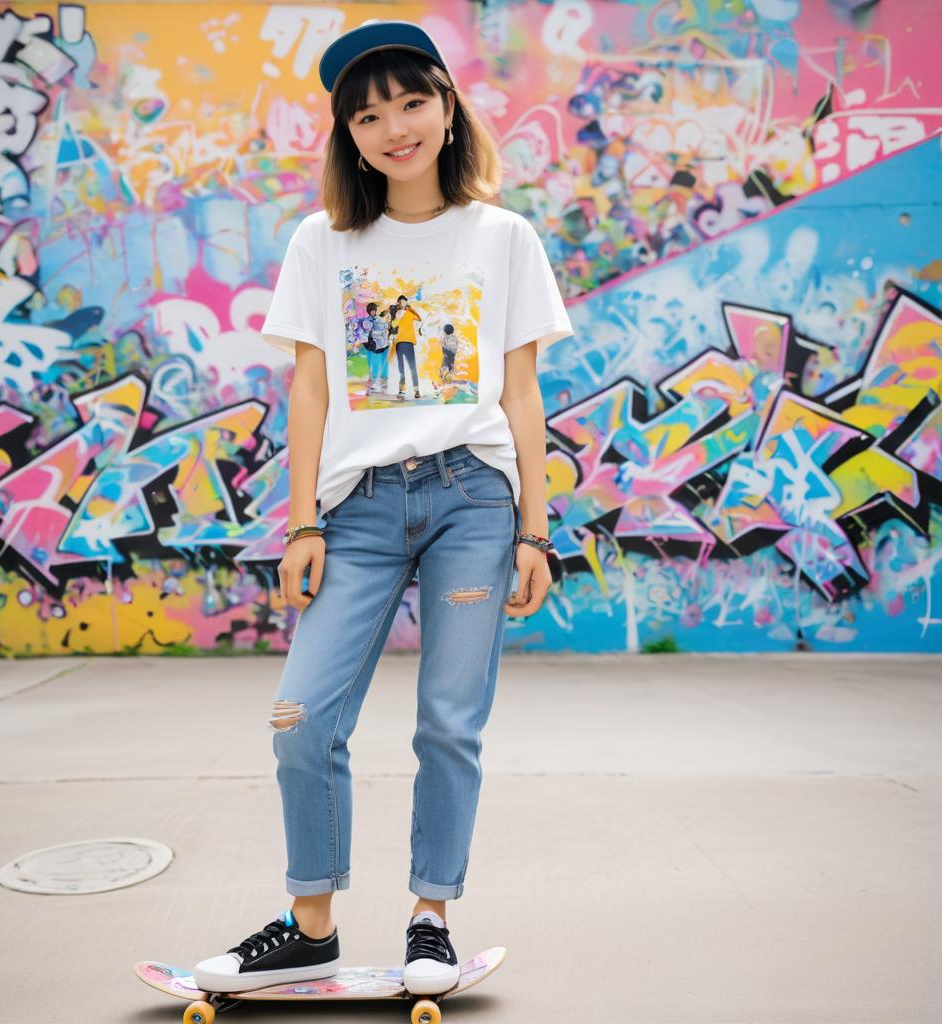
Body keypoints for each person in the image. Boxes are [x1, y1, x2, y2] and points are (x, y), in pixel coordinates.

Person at [193, 19, 573, 998]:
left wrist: (536, 529)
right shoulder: (323, 242)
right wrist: (301, 521)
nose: (393, 126)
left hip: (472, 503)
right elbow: (310, 391)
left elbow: (522, 394)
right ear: (348, 137)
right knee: (299, 717)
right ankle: (310, 924)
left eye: (411, 101)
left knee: (448, 721)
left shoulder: (503, 236)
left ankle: (430, 918)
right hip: (356, 510)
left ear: (448, 107)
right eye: (368, 114)